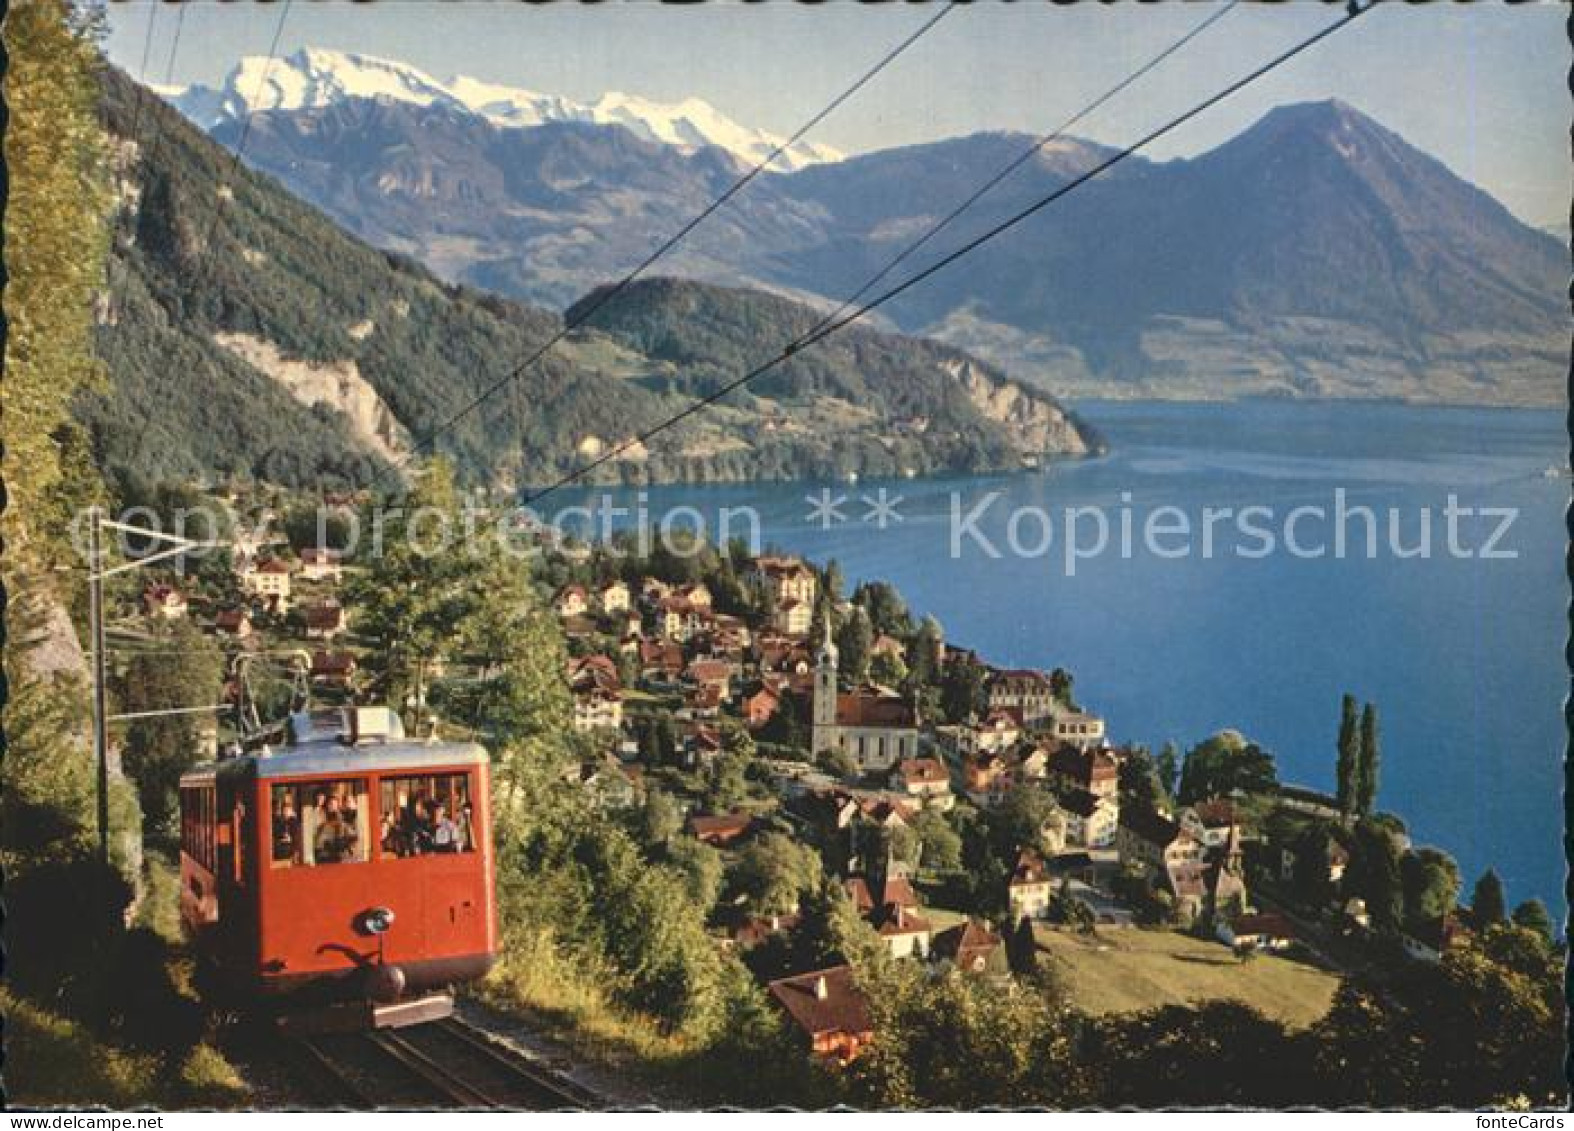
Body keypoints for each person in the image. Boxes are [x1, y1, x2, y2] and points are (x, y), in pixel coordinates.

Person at [314, 795, 358, 864]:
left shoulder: (343, 820)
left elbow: (352, 836)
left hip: (341, 856)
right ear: (327, 806)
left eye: (335, 805)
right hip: (327, 856)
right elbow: (319, 842)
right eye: (331, 805)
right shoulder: (323, 820)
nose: (333, 807)